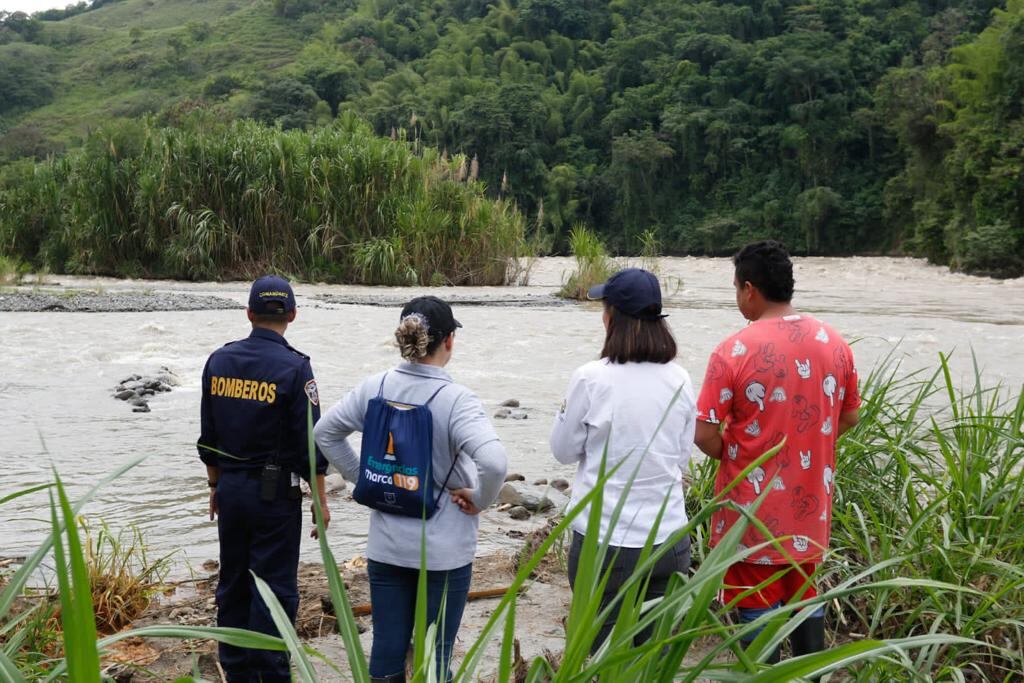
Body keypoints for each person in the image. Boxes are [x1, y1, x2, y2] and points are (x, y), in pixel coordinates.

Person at [313, 295, 507, 683]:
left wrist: (361, 476)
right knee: (436, 656)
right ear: (448, 341)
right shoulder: (457, 400)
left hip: (387, 545)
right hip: (445, 549)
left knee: (386, 651)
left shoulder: (375, 386)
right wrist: (479, 500)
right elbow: (495, 463)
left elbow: (324, 433)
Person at [693, 240, 861, 663]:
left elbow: (703, 433)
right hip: (810, 510)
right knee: (803, 592)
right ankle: (811, 673)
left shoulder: (733, 351)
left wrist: (737, 452)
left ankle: (762, 674)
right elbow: (849, 418)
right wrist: (810, 444)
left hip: (752, 515)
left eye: (735, 289)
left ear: (749, 289)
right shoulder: (834, 342)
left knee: (752, 599)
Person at [550, 267, 697, 652]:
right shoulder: (680, 379)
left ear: (611, 318)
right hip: (668, 540)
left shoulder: (590, 378)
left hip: (604, 543)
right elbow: (680, 458)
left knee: (599, 653)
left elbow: (563, 451)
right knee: (653, 656)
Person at [198, 275, 330, 683]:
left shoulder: (219, 361)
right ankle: (272, 673)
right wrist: (321, 502)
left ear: (249, 314)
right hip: (274, 495)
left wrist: (215, 487)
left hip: (232, 490)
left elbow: (209, 438)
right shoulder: (296, 367)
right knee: (273, 589)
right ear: (291, 314)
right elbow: (311, 444)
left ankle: (235, 670)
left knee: (233, 582)